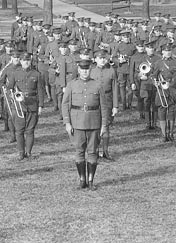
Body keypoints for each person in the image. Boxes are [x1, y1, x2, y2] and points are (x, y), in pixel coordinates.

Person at [60, 54, 111, 189]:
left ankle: (91, 181)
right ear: (78, 69)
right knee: (79, 151)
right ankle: (82, 179)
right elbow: (65, 105)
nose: (84, 72)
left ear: (90, 69)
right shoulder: (71, 85)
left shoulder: (97, 85)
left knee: (93, 151)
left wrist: (104, 125)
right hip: (77, 123)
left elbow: (104, 107)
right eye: (82, 69)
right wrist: (67, 123)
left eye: (87, 69)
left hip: (94, 123)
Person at [6, 49, 49, 160]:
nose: (26, 62)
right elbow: (9, 88)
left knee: (30, 130)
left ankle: (28, 152)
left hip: (32, 104)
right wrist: (14, 96)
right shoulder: (15, 73)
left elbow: (40, 91)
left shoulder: (37, 74)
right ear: (20, 61)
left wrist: (40, 106)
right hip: (19, 106)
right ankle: (21, 152)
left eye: (28, 60)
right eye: (24, 60)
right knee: (19, 131)